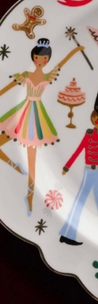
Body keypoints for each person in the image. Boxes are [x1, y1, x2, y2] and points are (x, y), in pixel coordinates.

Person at [0, 38, 84, 215]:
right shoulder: (26, 74)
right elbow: (10, 86)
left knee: (32, 159)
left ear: (47, 60)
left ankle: (30, 195)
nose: (41, 61)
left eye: (45, 59)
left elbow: (61, 64)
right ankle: (14, 165)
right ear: (33, 58)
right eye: (38, 58)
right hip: (23, 113)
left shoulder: (48, 77)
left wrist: (74, 51)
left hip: (35, 117)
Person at [59, 91, 98, 246]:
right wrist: (67, 167)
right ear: (94, 119)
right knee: (80, 201)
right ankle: (67, 234)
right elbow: (78, 151)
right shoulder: (89, 134)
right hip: (90, 171)